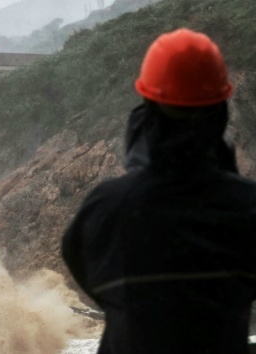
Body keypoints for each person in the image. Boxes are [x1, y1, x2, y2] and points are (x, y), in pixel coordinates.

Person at [62, 28, 256, 354]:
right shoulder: (247, 208)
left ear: (147, 109)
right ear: (220, 111)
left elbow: (85, 268)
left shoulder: (108, 206)